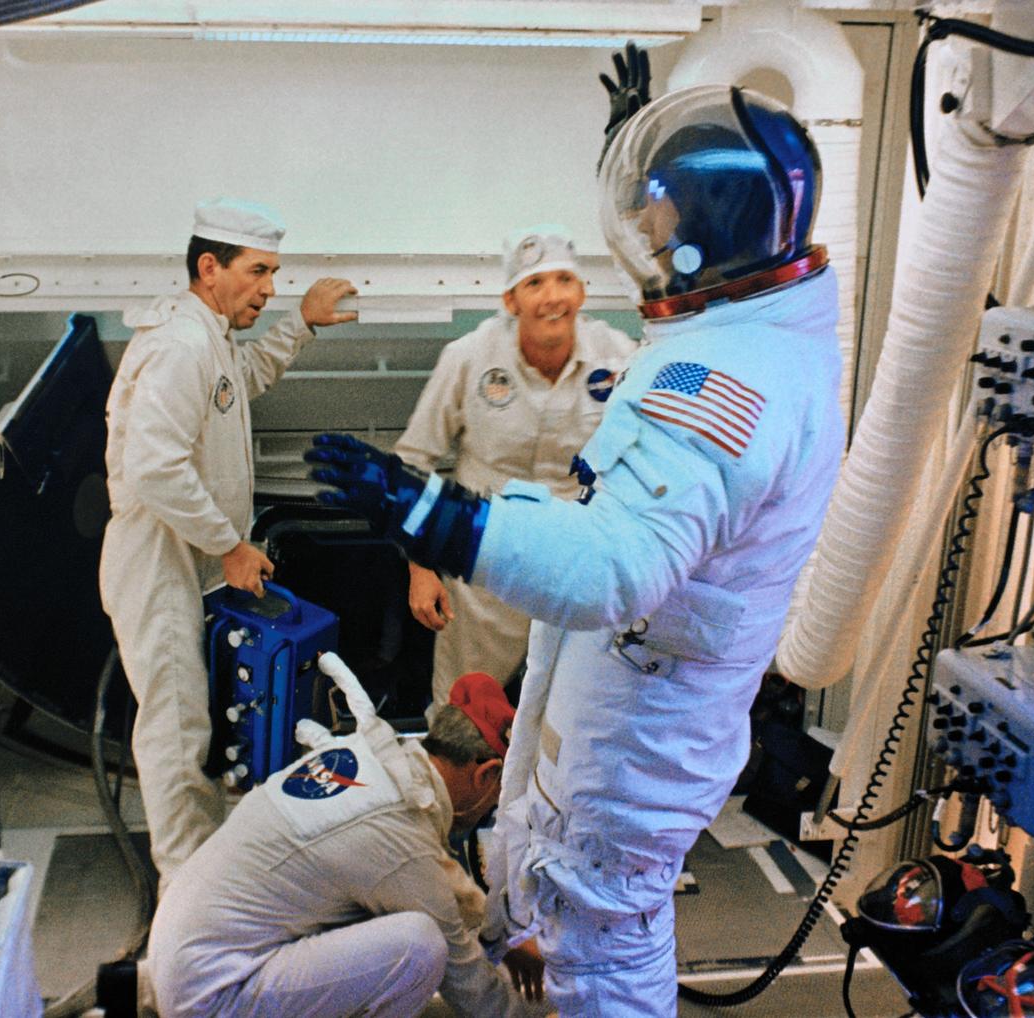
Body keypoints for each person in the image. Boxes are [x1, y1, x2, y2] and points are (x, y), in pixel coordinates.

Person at [305, 76, 843, 1016]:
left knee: (598, 952)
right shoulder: (752, 337)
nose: (640, 222)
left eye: (659, 203)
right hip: (601, 669)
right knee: (533, 868)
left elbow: (612, 567)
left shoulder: (725, 382)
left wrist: (445, 520)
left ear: (706, 225)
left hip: (628, 719)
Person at [99, 197, 357, 892]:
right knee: (178, 735)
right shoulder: (182, 345)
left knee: (203, 730)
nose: (268, 289)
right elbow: (156, 469)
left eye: (274, 273)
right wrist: (231, 546)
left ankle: (207, 879)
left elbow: (237, 386)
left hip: (191, 560)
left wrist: (299, 326)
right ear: (209, 267)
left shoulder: (207, 338)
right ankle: (186, 905)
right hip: (160, 561)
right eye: (257, 272)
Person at [147, 657, 542, 1018]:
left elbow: (433, 882)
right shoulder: (398, 828)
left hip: (180, 955)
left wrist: (501, 938)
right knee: (421, 948)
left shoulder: (371, 758)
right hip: (210, 994)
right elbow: (470, 985)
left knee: (378, 910)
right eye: (498, 792)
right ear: (485, 774)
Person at [394, 224, 635, 711]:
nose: (552, 298)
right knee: (463, 708)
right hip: (486, 559)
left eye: (564, 281)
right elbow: (411, 463)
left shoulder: (619, 359)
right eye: (535, 284)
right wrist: (419, 567)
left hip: (576, 564)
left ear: (582, 292)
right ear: (511, 301)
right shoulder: (468, 357)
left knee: (573, 711)